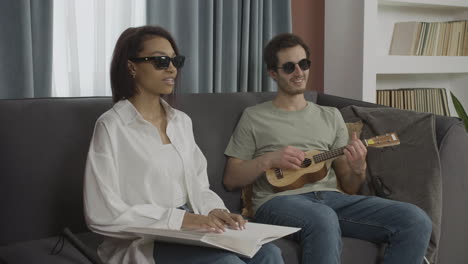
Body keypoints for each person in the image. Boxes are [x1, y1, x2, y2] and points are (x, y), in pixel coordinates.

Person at [223, 33, 432, 264]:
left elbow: (350, 186)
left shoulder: (331, 116)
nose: (299, 72)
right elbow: (231, 179)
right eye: (289, 67)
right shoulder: (254, 117)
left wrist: (358, 167)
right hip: (277, 202)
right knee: (323, 218)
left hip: (331, 199)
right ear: (273, 73)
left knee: (415, 219)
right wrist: (269, 160)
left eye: (303, 64)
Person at [83, 25, 283, 264]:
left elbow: (199, 186)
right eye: (160, 60)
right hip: (149, 239)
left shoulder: (181, 122)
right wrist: (180, 220)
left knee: (270, 253)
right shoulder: (111, 127)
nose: (171, 68)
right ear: (131, 66)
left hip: (194, 229)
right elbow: (101, 213)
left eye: (175, 60)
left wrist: (214, 211)